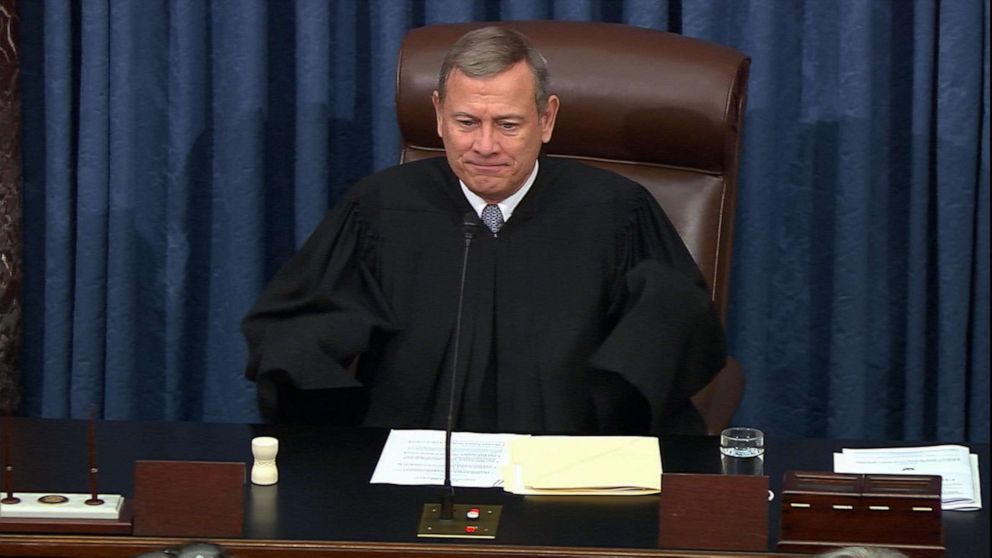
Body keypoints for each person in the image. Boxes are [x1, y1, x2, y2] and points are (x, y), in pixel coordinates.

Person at [242, 26, 726, 435]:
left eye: (509, 124)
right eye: (467, 122)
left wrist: (602, 415)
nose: (485, 146)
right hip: (410, 457)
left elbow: (672, 322)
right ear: (437, 115)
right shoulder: (379, 209)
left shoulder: (617, 212)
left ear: (547, 118)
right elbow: (301, 324)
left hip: (568, 459)